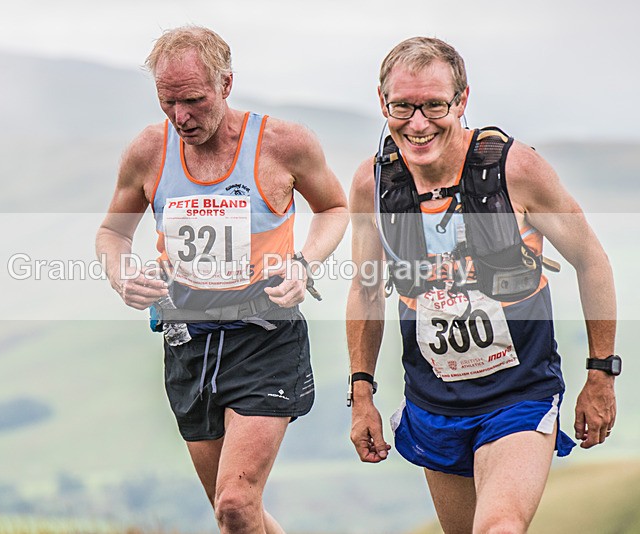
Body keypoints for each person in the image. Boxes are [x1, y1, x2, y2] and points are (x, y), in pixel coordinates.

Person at [346, 36, 618, 533]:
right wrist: (361, 392)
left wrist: (601, 374)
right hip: (433, 402)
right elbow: (366, 290)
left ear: (462, 101)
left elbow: (591, 260)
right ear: (382, 102)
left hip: (520, 396)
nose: (418, 123)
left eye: (434, 105)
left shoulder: (514, 169)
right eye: (402, 106)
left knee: (499, 527)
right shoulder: (374, 184)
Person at [96, 25, 348, 533]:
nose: (181, 117)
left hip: (265, 336)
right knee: (234, 513)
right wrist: (122, 276)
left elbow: (335, 208)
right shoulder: (150, 150)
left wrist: (304, 264)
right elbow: (111, 233)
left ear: (226, 84)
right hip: (188, 340)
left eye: (193, 100)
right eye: (168, 103)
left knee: (235, 504)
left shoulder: (283, 143)